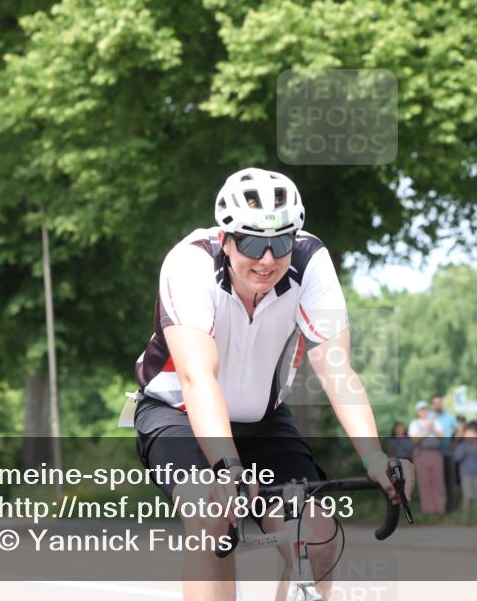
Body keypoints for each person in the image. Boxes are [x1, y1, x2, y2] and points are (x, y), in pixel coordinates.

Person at [132, 167, 415, 601]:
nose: (267, 259)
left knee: (317, 538)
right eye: (251, 243)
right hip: (179, 413)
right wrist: (226, 467)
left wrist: (374, 457)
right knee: (212, 517)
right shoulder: (190, 263)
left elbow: (337, 369)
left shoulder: (310, 261)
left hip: (263, 420)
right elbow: (197, 377)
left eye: (281, 243)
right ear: (226, 240)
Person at [408, 400, 446, 515]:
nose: (423, 412)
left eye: (425, 409)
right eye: (421, 410)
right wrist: (427, 430)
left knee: (438, 482)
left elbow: (441, 437)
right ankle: (427, 510)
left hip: (435, 453)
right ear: (418, 411)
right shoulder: (414, 423)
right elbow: (414, 440)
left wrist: (432, 427)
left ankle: (439, 509)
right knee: (424, 482)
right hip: (422, 454)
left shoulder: (435, 422)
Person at [430, 394, 458, 512]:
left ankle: (450, 507)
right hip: (434, 455)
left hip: (447, 454)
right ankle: (436, 507)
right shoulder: (429, 417)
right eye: (435, 403)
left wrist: (454, 443)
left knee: (449, 481)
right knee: (435, 482)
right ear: (432, 404)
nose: (438, 405)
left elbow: (458, 430)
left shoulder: (449, 417)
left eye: (439, 402)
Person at [453, 428, 477, 521]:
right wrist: (465, 450)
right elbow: (458, 458)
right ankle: (466, 516)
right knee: (467, 495)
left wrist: (476, 450)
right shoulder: (461, 446)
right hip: (465, 474)